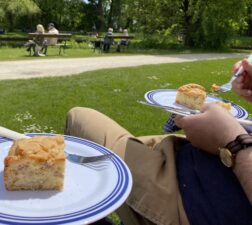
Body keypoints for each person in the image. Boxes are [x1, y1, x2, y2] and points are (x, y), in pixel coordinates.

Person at [64, 57, 252, 225]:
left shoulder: (233, 144)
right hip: (193, 156)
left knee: (78, 118)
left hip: (191, 198)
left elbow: (233, 142)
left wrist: (232, 141)